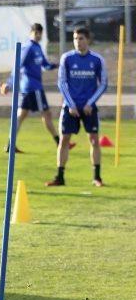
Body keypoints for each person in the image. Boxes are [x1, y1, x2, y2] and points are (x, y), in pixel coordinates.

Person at [49, 27, 107, 187]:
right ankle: (60, 176)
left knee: (94, 140)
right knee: (64, 140)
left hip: (89, 108)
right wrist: (70, 104)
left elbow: (103, 84)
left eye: (81, 38)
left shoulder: (97, 60)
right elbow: (61, 82)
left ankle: (97, 177)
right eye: (75, 38)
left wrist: (90, 103)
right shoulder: (66, 58)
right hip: (70, 108)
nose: (77, 42)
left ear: (88, 40)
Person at [0, 23, 67, 154]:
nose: (38, 35)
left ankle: (9, 144)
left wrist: (56, 65)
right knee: (46, 114)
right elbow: (18, 65)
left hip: (30, 88)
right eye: (36, 33)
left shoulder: (37, 47)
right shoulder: (28, 47)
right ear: (31, 33)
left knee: (21, 116)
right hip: (33, 88)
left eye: (40, 33)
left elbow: (45, 65)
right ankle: (59, 142)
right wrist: (9, 83)